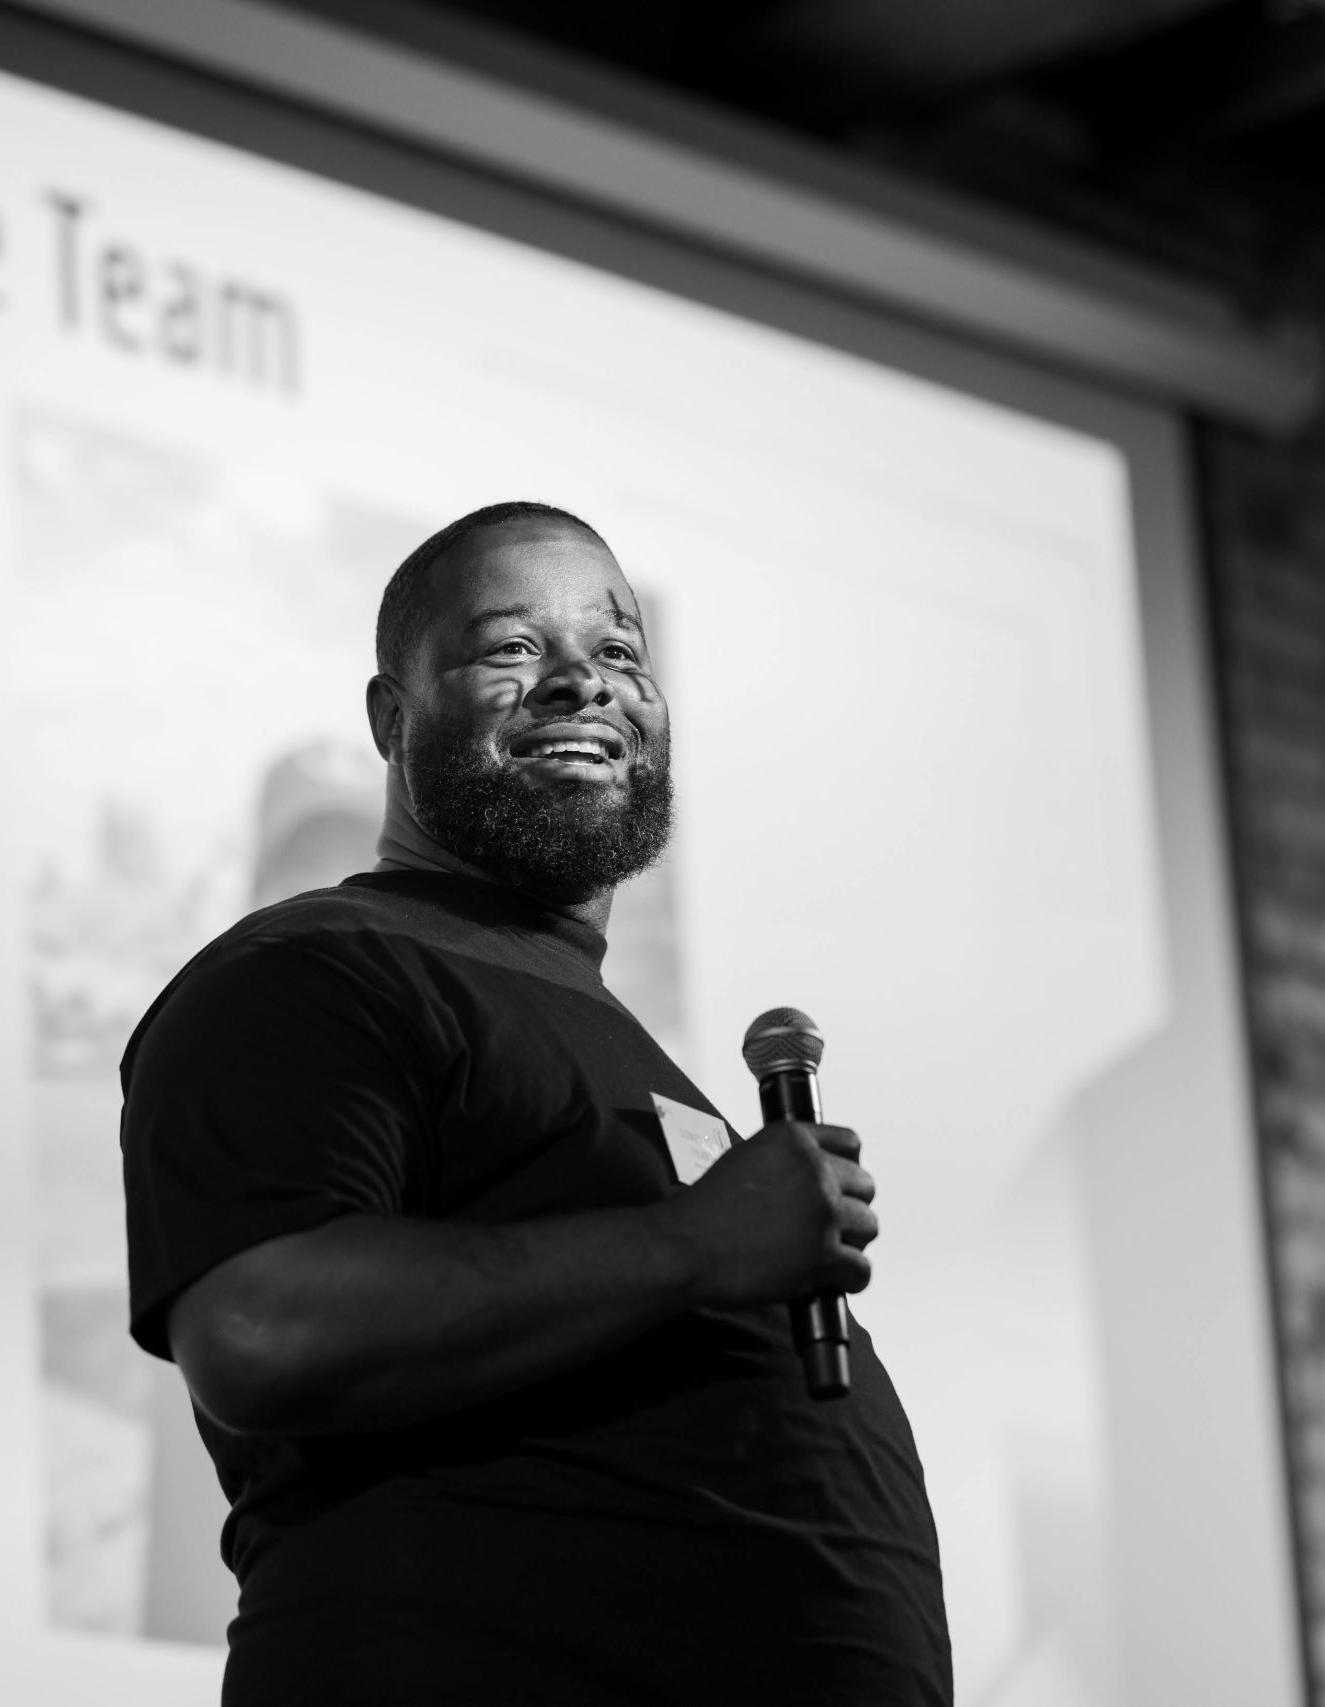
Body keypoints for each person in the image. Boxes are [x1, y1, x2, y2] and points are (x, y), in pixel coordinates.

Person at [119, 502, 950, 1704]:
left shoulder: (592, 1031)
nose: (582, 684)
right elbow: (260, 1330)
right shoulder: (317, 967)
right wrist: (694, 1242)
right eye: (513, 648)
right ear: (390, 720)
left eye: (619, 653)